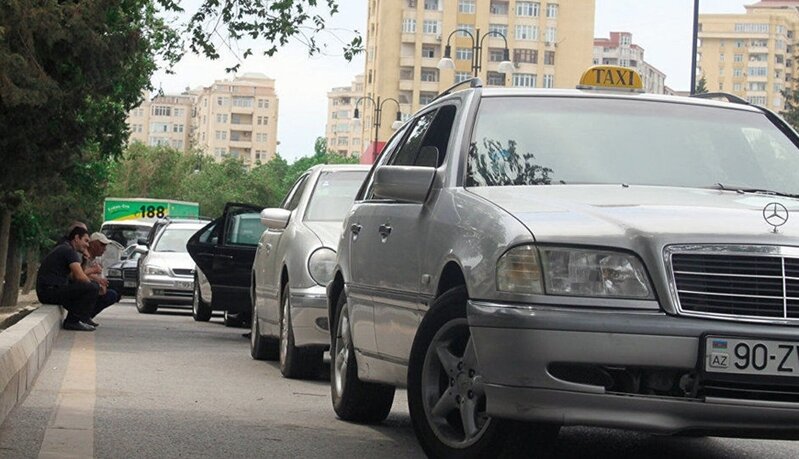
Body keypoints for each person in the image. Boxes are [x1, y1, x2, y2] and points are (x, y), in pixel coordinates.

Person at [36, 227, 99, 331]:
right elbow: (80, 277)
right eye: (86, 241)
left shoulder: (65, 248)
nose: (87, 245)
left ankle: (81, 318)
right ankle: (72, 321)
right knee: (92, 287)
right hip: (49, 292)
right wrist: (93, 287)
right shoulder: (68, 250)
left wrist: (84, 261)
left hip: (47, 292)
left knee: (90, 287)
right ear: (77, 238)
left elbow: (74, 277)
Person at [83, 232, 120, 324]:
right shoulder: (83, 257)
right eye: (102, 245)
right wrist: (95, 277)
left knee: (112, 294)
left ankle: (87, 316)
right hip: (82, 287)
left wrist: (102, 284)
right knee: (92, 287)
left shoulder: (97, 260)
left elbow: (101, 278)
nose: (104, 249)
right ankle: (82, 316)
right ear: (93, 245)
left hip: (93, 288)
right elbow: (78, 273)